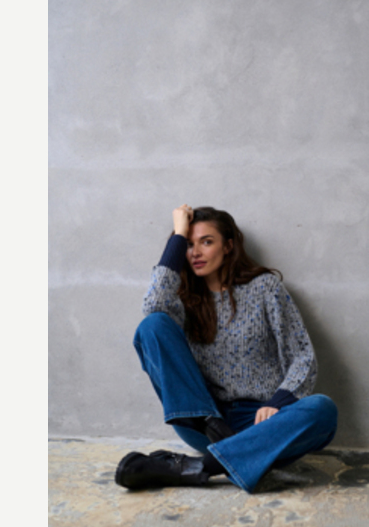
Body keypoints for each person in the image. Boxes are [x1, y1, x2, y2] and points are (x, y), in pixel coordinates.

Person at [115, 204, 338, 494]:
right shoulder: (181, 300)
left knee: (322, 409)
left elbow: (302, 356)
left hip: (262, 423)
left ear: (228, 246)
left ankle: (200, 466)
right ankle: (235, 453)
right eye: (189, 245)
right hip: (204, 424)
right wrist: (178, 234)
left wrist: (278, 403)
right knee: (152, 325)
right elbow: (152, 307)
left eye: (206, 242)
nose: (195, 253)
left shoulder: (265, 288)